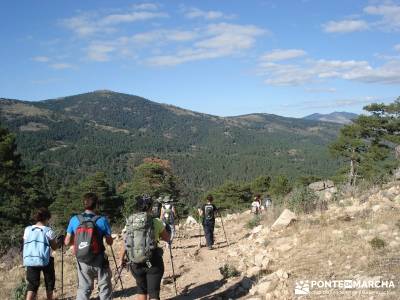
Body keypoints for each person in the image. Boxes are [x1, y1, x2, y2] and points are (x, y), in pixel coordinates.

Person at [64, 192, 113, 300]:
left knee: (84, 288)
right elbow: (110, 242)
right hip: (99, 259)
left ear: (84, 204)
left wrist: (79, 242)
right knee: (104, 286)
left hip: (82, 259)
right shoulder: (102, 220)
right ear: (96, 205)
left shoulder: (74, 219)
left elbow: (67, 242)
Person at [120, 195, 170, 300]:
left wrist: (122, 259)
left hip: (135, 262)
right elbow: (167, 238)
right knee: (154, 293)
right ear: (150, 207)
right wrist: (167, 228)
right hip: (152, 261)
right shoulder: (155, 221)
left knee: (141, 290)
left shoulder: (130, 222)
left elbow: (125, 242)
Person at [23, 207, 60, 300]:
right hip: (46, 260)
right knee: (49, 282)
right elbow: (54, 247)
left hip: (31, 259)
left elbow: (26, 243)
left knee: (32, 285)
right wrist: (59, 242)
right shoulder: (48, 231)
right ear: (46, 218)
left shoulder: (27, 229)